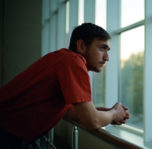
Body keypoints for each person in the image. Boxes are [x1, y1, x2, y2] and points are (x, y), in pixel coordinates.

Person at [0, 23, 130, 148]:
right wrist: (113, 114)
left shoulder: (64, 59)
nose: (107, 57)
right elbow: (92, 121)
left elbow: (71, 113)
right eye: (102, 48)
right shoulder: (73, 62)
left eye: (108, 50)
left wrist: (108, 113)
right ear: (81, 46)